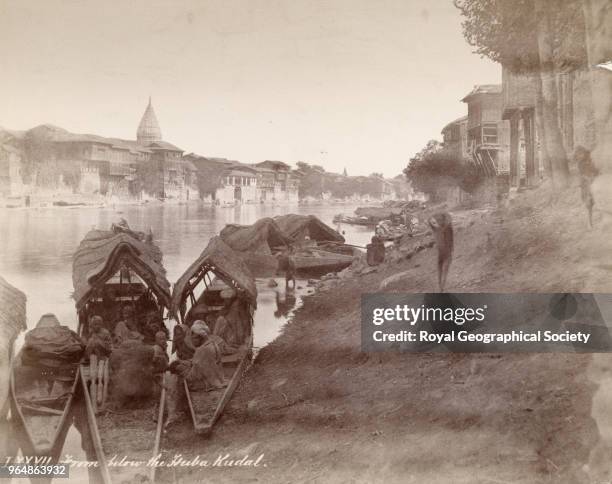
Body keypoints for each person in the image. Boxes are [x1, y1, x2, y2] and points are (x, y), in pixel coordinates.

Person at [168, 320, 226, 391]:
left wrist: (183, 372)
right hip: (218, 378)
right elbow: (197, 362)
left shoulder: (201, 350)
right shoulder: (212, 343)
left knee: (182, 383)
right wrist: (184, 362)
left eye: (194, 338)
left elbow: (194, 375)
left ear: (201, 337)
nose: (192, 340)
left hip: (208, 382)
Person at [575, 146, 600, 228]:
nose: (580, 156)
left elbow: (596, 170)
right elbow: (581, 174)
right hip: (585, 184)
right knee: (588, 204)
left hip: (594, 181)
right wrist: (588, 179)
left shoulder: (591, 159)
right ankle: (589, 223)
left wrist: (595, 176)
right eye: (578, 154)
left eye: (581, 153)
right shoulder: (580, 163)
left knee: (597, 200)